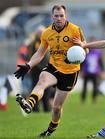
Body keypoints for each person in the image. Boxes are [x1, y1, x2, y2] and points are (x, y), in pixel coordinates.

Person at [14, 4, 87, 137]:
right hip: (54, 67)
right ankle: (29, 104)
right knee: (41, 81)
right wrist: (29, 65)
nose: (59, 18)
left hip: (70, 72)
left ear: (66, 16)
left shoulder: (75, 30)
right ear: (52, 16)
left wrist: (80, 49)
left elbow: (85, 51)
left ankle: (50, 130)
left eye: (61, 16)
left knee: (57, 107)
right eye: (56, 16)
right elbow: (40, 52)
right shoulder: (47, 33)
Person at [27, 25, 55, 112]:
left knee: (47, 89)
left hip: (47, 69)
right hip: (36, 70)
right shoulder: (33, 43)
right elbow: (31, 55)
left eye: (42, 32)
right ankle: (35, 109)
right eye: (39, 32)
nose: (41, 34)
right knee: (35, 87)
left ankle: (46, 108)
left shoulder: (49, 42)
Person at [81, 37, 105, 103]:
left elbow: (101, 62)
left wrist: (102, 71)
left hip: (95, 72)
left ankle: (94, 99)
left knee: (95, 87)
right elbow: (82, 62)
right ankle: (83, 99)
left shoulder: (98, 53)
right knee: (84, 87)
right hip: (86, 72)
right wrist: (81, 71)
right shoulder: (85, 52)